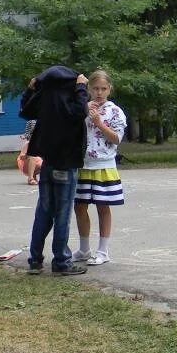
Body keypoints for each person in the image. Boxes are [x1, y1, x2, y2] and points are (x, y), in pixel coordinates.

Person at [20, 66, 89, 275]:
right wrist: (81, 87)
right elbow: (81, 111)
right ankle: (61, 262)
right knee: (62, 214)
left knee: (43, 211)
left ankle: (35, 260)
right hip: (66, 163)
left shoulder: (44, 100)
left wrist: (30, 90)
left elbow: (25, 111)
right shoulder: (71, 99)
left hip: (47, 163)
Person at [72, 70, 127, 266]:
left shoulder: (115, 111)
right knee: (79, 207)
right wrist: (83, 111)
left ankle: (103, 251)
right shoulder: (83, 108)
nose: (99, 93)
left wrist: (99, 124)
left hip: (104, 165)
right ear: (89, 89)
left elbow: (116, 138)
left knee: (103, 207)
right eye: (95, 88)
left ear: (109, 90)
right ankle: (84, 248)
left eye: (103, 89)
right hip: (83, 164)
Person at [16, 121, 41, 186]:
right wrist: (27, 155)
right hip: (24, 164)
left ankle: (38, 177)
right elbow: (22, 157)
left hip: (37, 163)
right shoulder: (29, 143)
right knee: (32, 156)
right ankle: (30, 178)